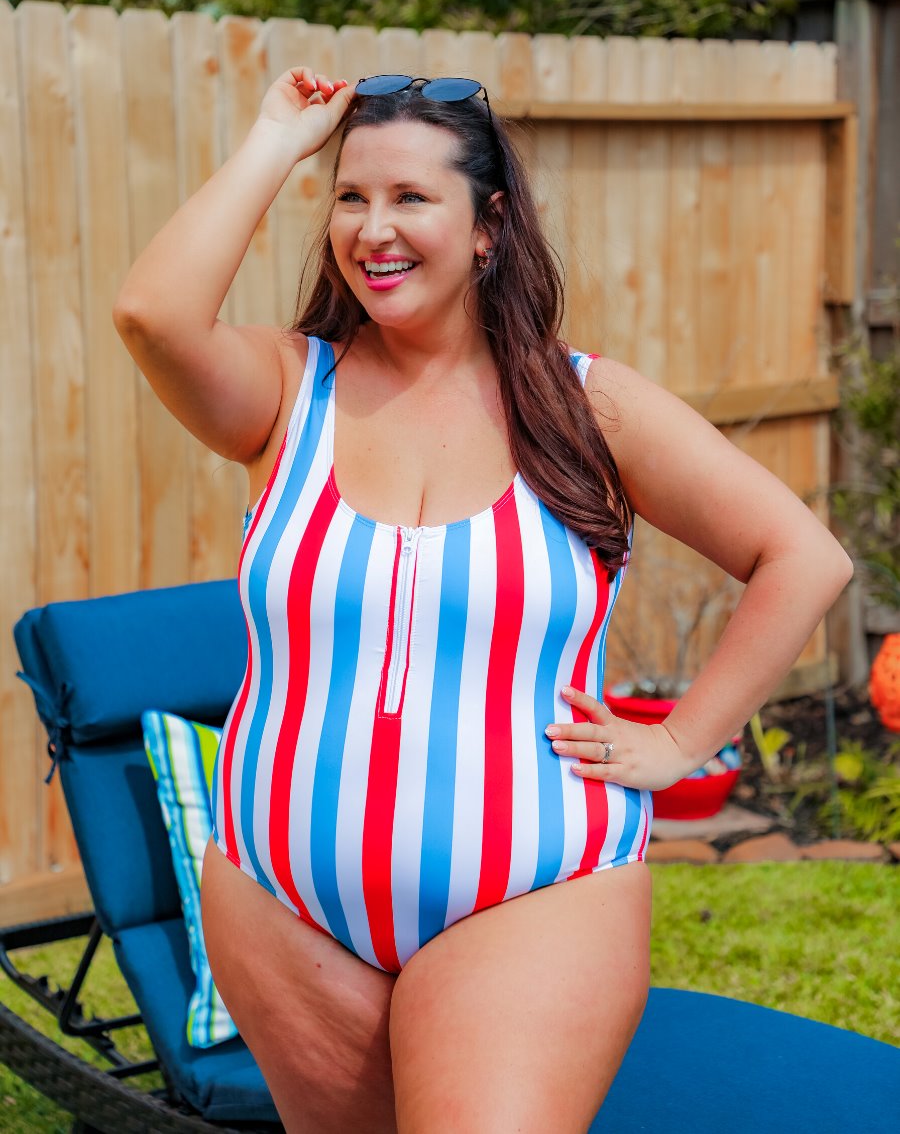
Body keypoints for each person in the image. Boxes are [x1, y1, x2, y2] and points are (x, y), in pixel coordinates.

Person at [113, 65, 853, 1134]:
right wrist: (280, 141)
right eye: (352, 197)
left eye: (412, 198)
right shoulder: (287, 391)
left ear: (487, 228)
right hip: (277, 899)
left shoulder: (585, 404)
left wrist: (683, 737)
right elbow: (151, 313)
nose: (375, 228)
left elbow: (802, 557)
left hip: (534, 900)